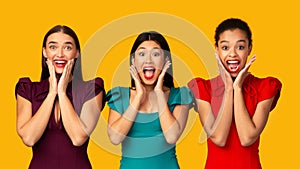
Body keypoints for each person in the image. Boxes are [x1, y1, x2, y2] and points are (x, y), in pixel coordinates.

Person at [188, 18, 282, 169]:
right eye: (225, 47)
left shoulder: (266, 87)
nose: (232, 54)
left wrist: (237, 88)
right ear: (217, 50)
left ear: (249, 49)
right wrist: (228, 89)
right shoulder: (203, 88)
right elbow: (219, 138)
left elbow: (247, 138)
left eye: (240, 47)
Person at [15, 25, 105, 169]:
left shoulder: (92, 90)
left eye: (68, 48)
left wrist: (62, 93)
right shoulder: (27, 89)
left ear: (76, 53)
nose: (60, 54)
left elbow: (78, 138)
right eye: (53, 47)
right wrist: (52, 93)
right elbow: (29, 138)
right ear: (44, 52)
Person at [106, 31, 193, 169]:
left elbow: (171, 136)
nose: (148, 60)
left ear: (166, 61)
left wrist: (159, 93)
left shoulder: (180, 95)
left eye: (156, 54)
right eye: (142, 54)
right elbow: (115, 138)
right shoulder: (119, 95)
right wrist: (138, 96)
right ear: (133, 61)